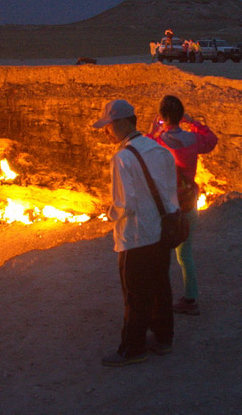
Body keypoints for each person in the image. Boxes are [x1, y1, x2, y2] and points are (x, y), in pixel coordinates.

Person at [92, 99, 178, 366]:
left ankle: (133, 349)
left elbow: (123, 204)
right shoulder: (159, 149)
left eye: (108, 126)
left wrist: (109, 216)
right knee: (160, 287)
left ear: (123, 123)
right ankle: (163, 339)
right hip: (161, 232)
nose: (106, 131)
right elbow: (169, 191)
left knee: (135, 295)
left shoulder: (122, 158)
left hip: (136, 236)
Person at [149, 95, 218, 317]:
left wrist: (152, 130)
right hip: (188, 204)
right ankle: (190, 298)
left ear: (161, 116)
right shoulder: (193, 139)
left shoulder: (158, 142)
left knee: (161, 256)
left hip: (165, 208)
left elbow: (145, 151)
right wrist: (193, 122)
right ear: (181, 116)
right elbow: (212, 139)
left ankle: (161, 301)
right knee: (185, 255)